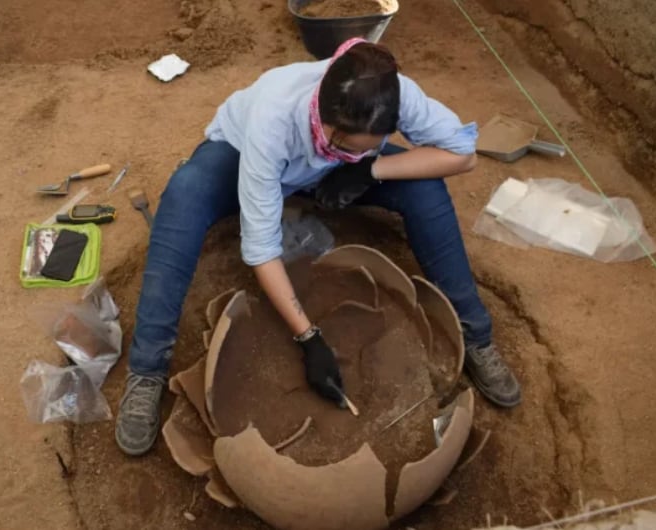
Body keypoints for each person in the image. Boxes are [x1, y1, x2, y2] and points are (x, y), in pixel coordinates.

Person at [115, 38, 521, 456]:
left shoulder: (396, 96)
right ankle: (147, 370)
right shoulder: (273, 117)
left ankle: (475, 337)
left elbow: (463, 154)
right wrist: (308, 337)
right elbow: (260, 248)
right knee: (185, 193)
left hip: (333, 178)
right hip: (242, 160)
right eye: (345, 144)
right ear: (324, 116)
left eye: (368, 145)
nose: (353, 152)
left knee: (425, 190)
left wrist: (368, 168)